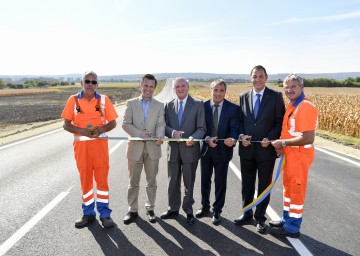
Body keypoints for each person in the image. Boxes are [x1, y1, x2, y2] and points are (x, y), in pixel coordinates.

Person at [61, 71, 118, 228]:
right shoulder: (73, 100)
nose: (90, 84)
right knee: (85, 182)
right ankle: (88, 214)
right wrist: (82, 131)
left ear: (97, 84)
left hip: (100, 148)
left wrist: (100, 130)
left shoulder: (104, 100)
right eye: (87, 81)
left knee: (102, 181)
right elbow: (66, 124)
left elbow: (113, 123)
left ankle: (105, 215)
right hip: (82, 149)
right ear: (81, 83)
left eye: (94, 82)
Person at [235, 65, 285, 233]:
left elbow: (280, 122)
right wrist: (241, 136)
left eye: (260, 76)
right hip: (247, 150)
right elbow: (239, 121)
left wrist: (270, 138)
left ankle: (260, 217)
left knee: (264, 185)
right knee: (247, 184)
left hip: (266, 151)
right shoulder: (242, 97)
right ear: (251, 78)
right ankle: (246, 213)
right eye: (254, 76)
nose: (257, 79)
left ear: (266, 77)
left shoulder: (276, 96)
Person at [270, 74, 318, 238]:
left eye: (294, 86)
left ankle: (292, 228)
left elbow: (308, 137)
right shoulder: (292, 105)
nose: (289, 90)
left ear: (302, 87)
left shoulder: (305, 106)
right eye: (287, 87)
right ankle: (286, 220)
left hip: (299, 157)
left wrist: (283, 143)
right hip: (290, 156)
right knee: (288, 190)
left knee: (296, 192)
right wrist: (283, 146)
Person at [160, 77, 206, 224]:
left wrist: (193, 137)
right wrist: (173, 132)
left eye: (183, 86)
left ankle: (188, 210)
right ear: (174, 88)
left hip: (190, 150)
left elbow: (202, 128)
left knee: (189, 182)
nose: (180, 88)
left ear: (188, 87)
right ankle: (173, 208)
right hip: (173, 151)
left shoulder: (198, 104)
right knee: (172, 181)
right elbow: (164, 126)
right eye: (177, 86)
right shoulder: (168, 105)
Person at [122, 74, 165, 224]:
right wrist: (140, 134)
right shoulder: (131, 103)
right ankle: (132, 210)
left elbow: (161, 124)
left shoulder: (159, 105)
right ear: (141, 86)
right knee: (133, 181)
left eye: (151, 86)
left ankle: (150, 208)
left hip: (153, 148)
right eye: (145, 85)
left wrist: (159, 137)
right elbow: (126, 124)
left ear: (154, 88)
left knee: (151, 181)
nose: (148, 89)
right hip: (135, 148)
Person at [195, 79, 240, 224]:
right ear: (211, 90)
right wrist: (206, 138)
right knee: (205, 181)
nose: (218, 93)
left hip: (223, 151)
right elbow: (199, 127)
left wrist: (233, 138)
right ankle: (205, 207)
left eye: (221, 91)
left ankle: (217, 210)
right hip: (206, 150)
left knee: (220, 182)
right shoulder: (202, 106)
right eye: (215, 90)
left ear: (225, 92)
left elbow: (234, 129)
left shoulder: (232, 108)